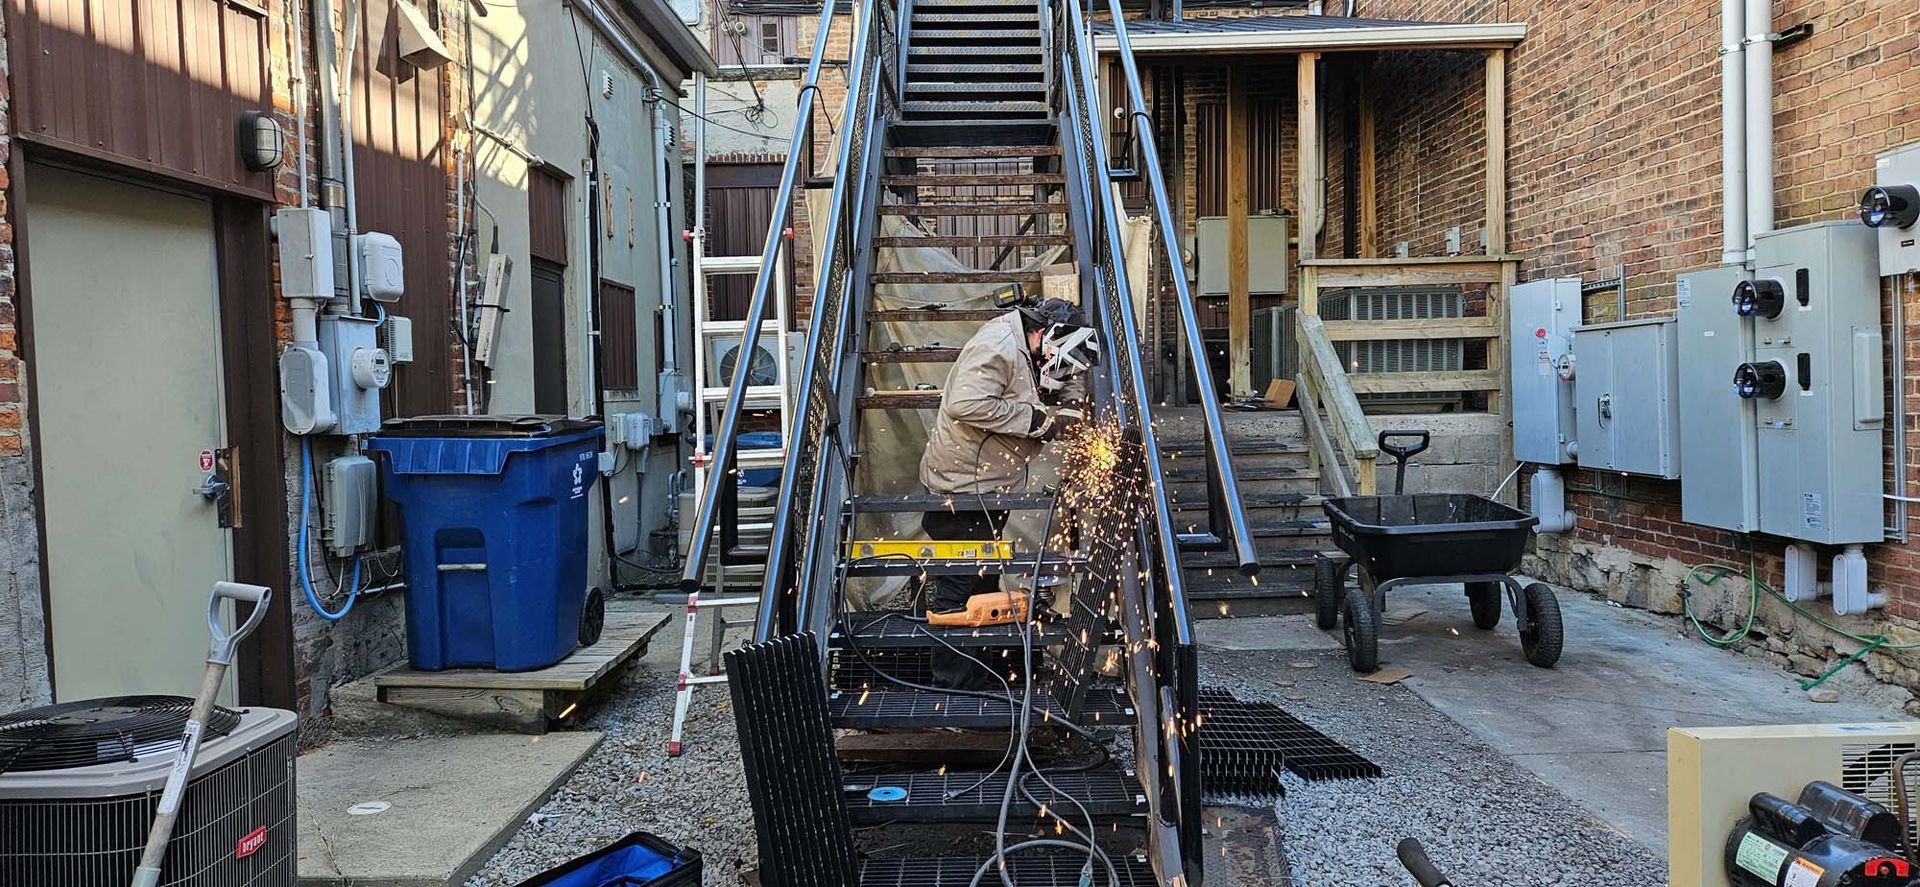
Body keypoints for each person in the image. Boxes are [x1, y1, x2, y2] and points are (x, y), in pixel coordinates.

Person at [917, 297, 1098, 689]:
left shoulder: (1039, 345)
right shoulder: (998, 345)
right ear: (1045, 334)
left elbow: (1071, 377)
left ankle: (979, 679)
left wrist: (1070, 412)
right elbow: (967, 403)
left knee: (984, 583)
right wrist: (1038, 422)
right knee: (959, 587)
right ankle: (951, 689)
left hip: (992, 487)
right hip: (958, 488)